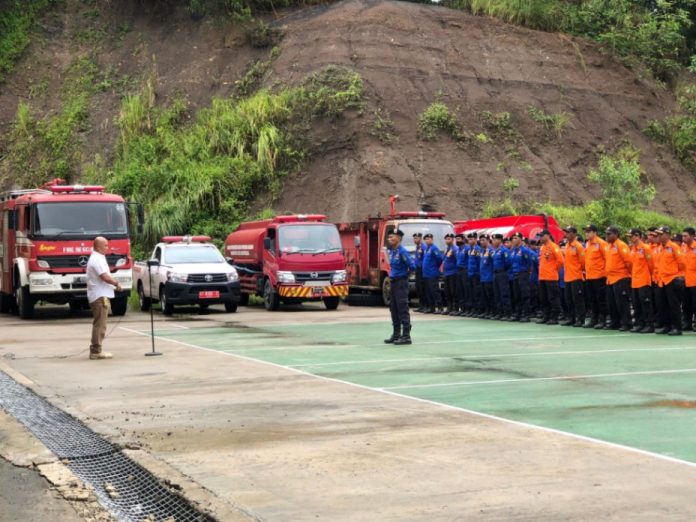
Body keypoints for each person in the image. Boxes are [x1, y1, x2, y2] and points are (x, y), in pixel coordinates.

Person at [86, 236, 122, 360]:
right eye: (105, 245)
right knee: (100, 324)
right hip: (99, 296)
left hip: (101, 295)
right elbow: (104, 276)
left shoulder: (99, 257)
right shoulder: (96, 259)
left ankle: (97, 349)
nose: (108, 247)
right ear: (98, 246)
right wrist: (116, 283)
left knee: (101, 323)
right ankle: (96, 351)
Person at [384, 229, 416, 345]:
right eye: (389, 237)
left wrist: (405, 276)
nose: (390, 239)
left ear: (398, 238)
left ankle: (406, 335)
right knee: (394, 308)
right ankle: (396, 334)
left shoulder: (402, 252)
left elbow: (412, 266)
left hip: (401, 283)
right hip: (393, 282)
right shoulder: (393, 251)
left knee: (402, 308)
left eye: (392, 237)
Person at [654, 226, 685, 335]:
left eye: (661, 234)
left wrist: (676, 275)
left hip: (672, 280)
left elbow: (682, 263)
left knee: (674, 305)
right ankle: (666, 326)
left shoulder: (673, 247)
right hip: (662, 281)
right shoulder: (660, 248)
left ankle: (677, 327)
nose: (658, 236)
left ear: (667, 235)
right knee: (663, 305)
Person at [604, 226, 633, 331]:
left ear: (616, 234)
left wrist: (628, 274)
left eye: (609, 234)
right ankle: (615, 322)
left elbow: (629, 262)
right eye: (606, 234)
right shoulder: (608, 246)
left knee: (622, 303)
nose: (606, 236)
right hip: (610, 279)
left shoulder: (621, 245)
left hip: (621, 278)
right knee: (612, 303)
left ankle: (626, 323)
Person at [628, 228, 655, 333]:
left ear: (637, 236)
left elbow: (651, 265)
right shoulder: (633, 248)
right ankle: (640, 324)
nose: (630, 238)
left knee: (646, 304)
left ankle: (649, 325)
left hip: (644, 280)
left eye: (631, 236)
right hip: (635, 281)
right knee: (636, 304)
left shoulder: (645, 248)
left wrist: (649, 277)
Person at [583, 224, 608, 329]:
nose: (586, 233)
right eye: (586, 231)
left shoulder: (601, 243)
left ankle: (602, 320)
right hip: (589, 276)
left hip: (599, 276)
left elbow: (607, 259)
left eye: (589, 231)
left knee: (600, 300)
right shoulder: (587, 244)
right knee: (592, 299)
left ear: (594, 232)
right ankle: (594, 319)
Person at [537, 229, 563, 325]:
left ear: (548, 235)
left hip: (551, 277)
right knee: (544, 298)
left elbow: (560, 261)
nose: (540, 238)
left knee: (553, 298)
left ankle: (554, 317)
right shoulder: (542, 247)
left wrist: (553, 269)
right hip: (542, 277)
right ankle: (546, 316)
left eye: (542, 235)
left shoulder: (554, 246)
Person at [562, 226, 586, 327]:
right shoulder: (567, 245)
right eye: (566, 232)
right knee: (569, 299)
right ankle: (571, 318)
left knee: (578, 300)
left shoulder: (578, 246)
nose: (566, 234)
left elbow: (583, 262)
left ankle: (580, 319)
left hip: (576, 277)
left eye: (568, 232)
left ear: (574, 234)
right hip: (567, 277)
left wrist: (577, 271)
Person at [509, 232, 536, 322]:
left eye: (516, 238)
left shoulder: (525, 250)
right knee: (517, 295)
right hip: (515, 274)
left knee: (525, 295)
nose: (514, 240)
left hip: (523, 274)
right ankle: (518, 313)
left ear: (521, 239)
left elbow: (530, 263)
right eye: (513, 238)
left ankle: (526, 314)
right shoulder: (513, 251)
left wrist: (527, 273)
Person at [491, 233, 513, 320]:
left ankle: (507, 313)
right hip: (495, 274)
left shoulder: (504, 250)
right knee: (497, 293)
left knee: (504, 293)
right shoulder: (495, 251)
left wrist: (503, 270)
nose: (493, 241)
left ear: (499, 240)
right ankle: (500, 312)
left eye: (495, 239)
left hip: (502, 273)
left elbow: (508, 262)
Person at [422, 233, 444, 314]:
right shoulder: (427, 249)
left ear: (432, 240)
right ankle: (432, 308)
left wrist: (435, 266)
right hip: (426, 274)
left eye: (429, 239)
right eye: (426, 239)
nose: (427, 240)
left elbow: (440, 258)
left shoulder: (434, 248)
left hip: (432, 273)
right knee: (428, 291)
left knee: (434, 291)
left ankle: (440, 307)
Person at [682, 227, 696, 332]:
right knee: (686, 304)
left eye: (685, 236)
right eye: (683, 236)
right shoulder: (683, 247)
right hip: (685, 280)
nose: (683, 238)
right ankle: (687, 322)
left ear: (692, 236)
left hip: (694, 280)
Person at [441, 233, 459, 315]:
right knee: (447, 291)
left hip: (453, 273)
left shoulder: (455, 249)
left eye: (449, 239)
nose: (447, 240)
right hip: (446, 273)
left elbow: (457, 260)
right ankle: (449, 307)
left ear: (452, 239)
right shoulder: (447, 249)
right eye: (446, 239)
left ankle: (455, 308)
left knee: (453, 291)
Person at [465, 232, 482, 317]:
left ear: (475, 239)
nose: (469, 241)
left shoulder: (478, 249)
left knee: (476, 293)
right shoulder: (469, 249)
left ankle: (478, 309)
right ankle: (472, 309)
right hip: (470, 274)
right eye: (469, 239)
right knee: (470, 292)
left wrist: (478, 273)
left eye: (471, 239)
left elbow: (479, 263)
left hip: (476, 274)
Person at [479, 234, 495, 318]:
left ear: (488, 240)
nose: (481, 242)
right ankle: (487, 311)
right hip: (482, 277)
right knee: (484, 295)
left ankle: (492, 311)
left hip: (489, 277)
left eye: (483, 240)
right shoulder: (482, 251)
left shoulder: (491, 250)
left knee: (490, 295)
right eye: (481, 240)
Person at [454, 233, 468, 316]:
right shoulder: (458, 249)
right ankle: (462, 308)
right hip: (458, 271)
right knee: (460, 290)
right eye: (456, 239)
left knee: (465, 290)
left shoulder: (467, 249)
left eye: (459, 239)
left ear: (463, 239)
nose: (457, 241)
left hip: (465, 271)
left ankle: (467, 308)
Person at [412, 232, 426, 312]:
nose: (415, 240)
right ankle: (421, 305)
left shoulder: (423, 247)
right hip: (417, 269)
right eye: (414, 238)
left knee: (422, 287)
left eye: (416, 238)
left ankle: (425, 305)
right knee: (418, 288)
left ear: (420, 239)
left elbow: (424, 259)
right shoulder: (417, 247)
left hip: (421, 269)